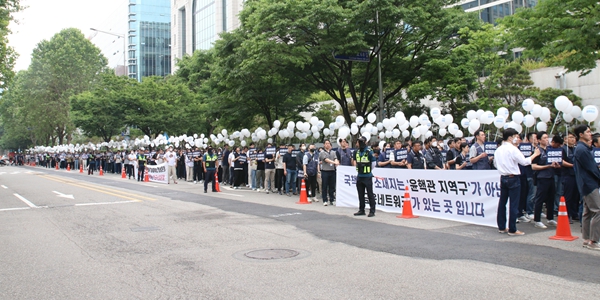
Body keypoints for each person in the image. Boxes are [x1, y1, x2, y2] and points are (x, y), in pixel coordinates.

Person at [494, 128, 541, 236]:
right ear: (510, 137)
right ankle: (512, 229)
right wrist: (534, 154)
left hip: (503, 177)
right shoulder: (513, 149)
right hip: (513, 177)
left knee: (502, 203)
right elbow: (524, 162)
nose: (517, 139)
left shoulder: (499, 150)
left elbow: (496, 164)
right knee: (513, 204)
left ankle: (502, 226)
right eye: (515, 136)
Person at [573, 125, 600, 250]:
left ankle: (586, 238)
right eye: (588, 132)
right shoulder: (582, 150)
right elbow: (591, 168)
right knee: (597, 211)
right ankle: (593, 240)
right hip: (589, 184)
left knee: (588, 212)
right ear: (581, 134)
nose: (590, 134)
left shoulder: (582, 148)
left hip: (585, 184)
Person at [531, 131, 560, 229]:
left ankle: (550, 218)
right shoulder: (537, 151)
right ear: (539, 140)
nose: (547, 140)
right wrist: (547, 166)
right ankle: (537, 220)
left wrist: (555, 165)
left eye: (547, 138)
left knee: (551, 198)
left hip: (551, 176)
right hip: (542, 177)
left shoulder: (549, 150)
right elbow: (534, 166)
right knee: (540, 198)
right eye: (544, 138)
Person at [352, 136, 377, 217]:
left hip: (367, 176)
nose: (358, 143)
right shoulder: (357, 152)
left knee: (370, 194)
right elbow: (355, 161)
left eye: (359, 142)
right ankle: (361, 210)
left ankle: (372, 211)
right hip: (360, 176)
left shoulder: (369, 151)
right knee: (360, 194)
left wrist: (368, 170)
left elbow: (373, 163)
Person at [562, 132, 579, 222]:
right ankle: (567, 215)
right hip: (568, 175)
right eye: (571, 137)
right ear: (565, 139)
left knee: (575, 196)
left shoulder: (575, 148)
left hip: (576, 174)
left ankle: (574, 213)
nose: (573, 139)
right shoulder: (563, 149)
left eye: (574, 137)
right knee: (568, 196)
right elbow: (562, 161)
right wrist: (573, 165)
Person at [319, 140, 339, 206]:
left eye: (329, 143)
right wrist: (334, 162)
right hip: (325, 171)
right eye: (326, 143)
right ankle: (325, 200)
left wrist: (336, 162)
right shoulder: (322, 152)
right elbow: (326, 160)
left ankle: (332, 199)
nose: (327, 145)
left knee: (332, 186)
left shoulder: (333, 152)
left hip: (332, 171)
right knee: (324, 186)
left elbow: (335, 158)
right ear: (324, 145)